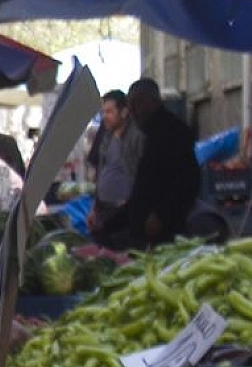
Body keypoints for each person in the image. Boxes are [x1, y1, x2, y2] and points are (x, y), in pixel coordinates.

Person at [99, 78, 200, 250]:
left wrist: (160, 215)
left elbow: (186, 181)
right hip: (143, 226)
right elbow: (143, 186)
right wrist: (111, 223)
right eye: (130, 105)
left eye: (137, 104)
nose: (133, 111)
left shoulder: (171, 134)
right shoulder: (148, 133)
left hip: (164, 231)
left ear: (153, 102)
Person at [85, 90, 145, 243]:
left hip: (125, 213)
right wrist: (95, 207)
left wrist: (132, 201)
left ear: (124, 112)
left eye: (109, 111)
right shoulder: (106, 137)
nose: (105, 116)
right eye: (103, 112)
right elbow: (101, 170)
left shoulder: (136, 137)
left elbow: (143, 172)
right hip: (104, 209)